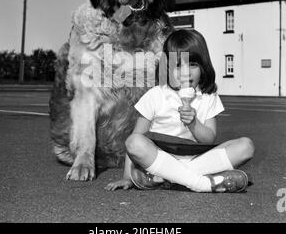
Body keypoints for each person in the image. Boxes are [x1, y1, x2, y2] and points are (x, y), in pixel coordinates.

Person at [105, 29, 255, 193]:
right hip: (159, 156)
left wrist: (193, 123)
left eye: (192, 64)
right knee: (133, 142)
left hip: (197, 158)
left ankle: (166, 178)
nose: (185, 72)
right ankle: (203, 183)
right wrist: (128, 177)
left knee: (246, 146)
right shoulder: (156, 95)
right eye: (178, 65)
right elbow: (136, 138)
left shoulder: (208, 97)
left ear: (203, 67)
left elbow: (209, 138)